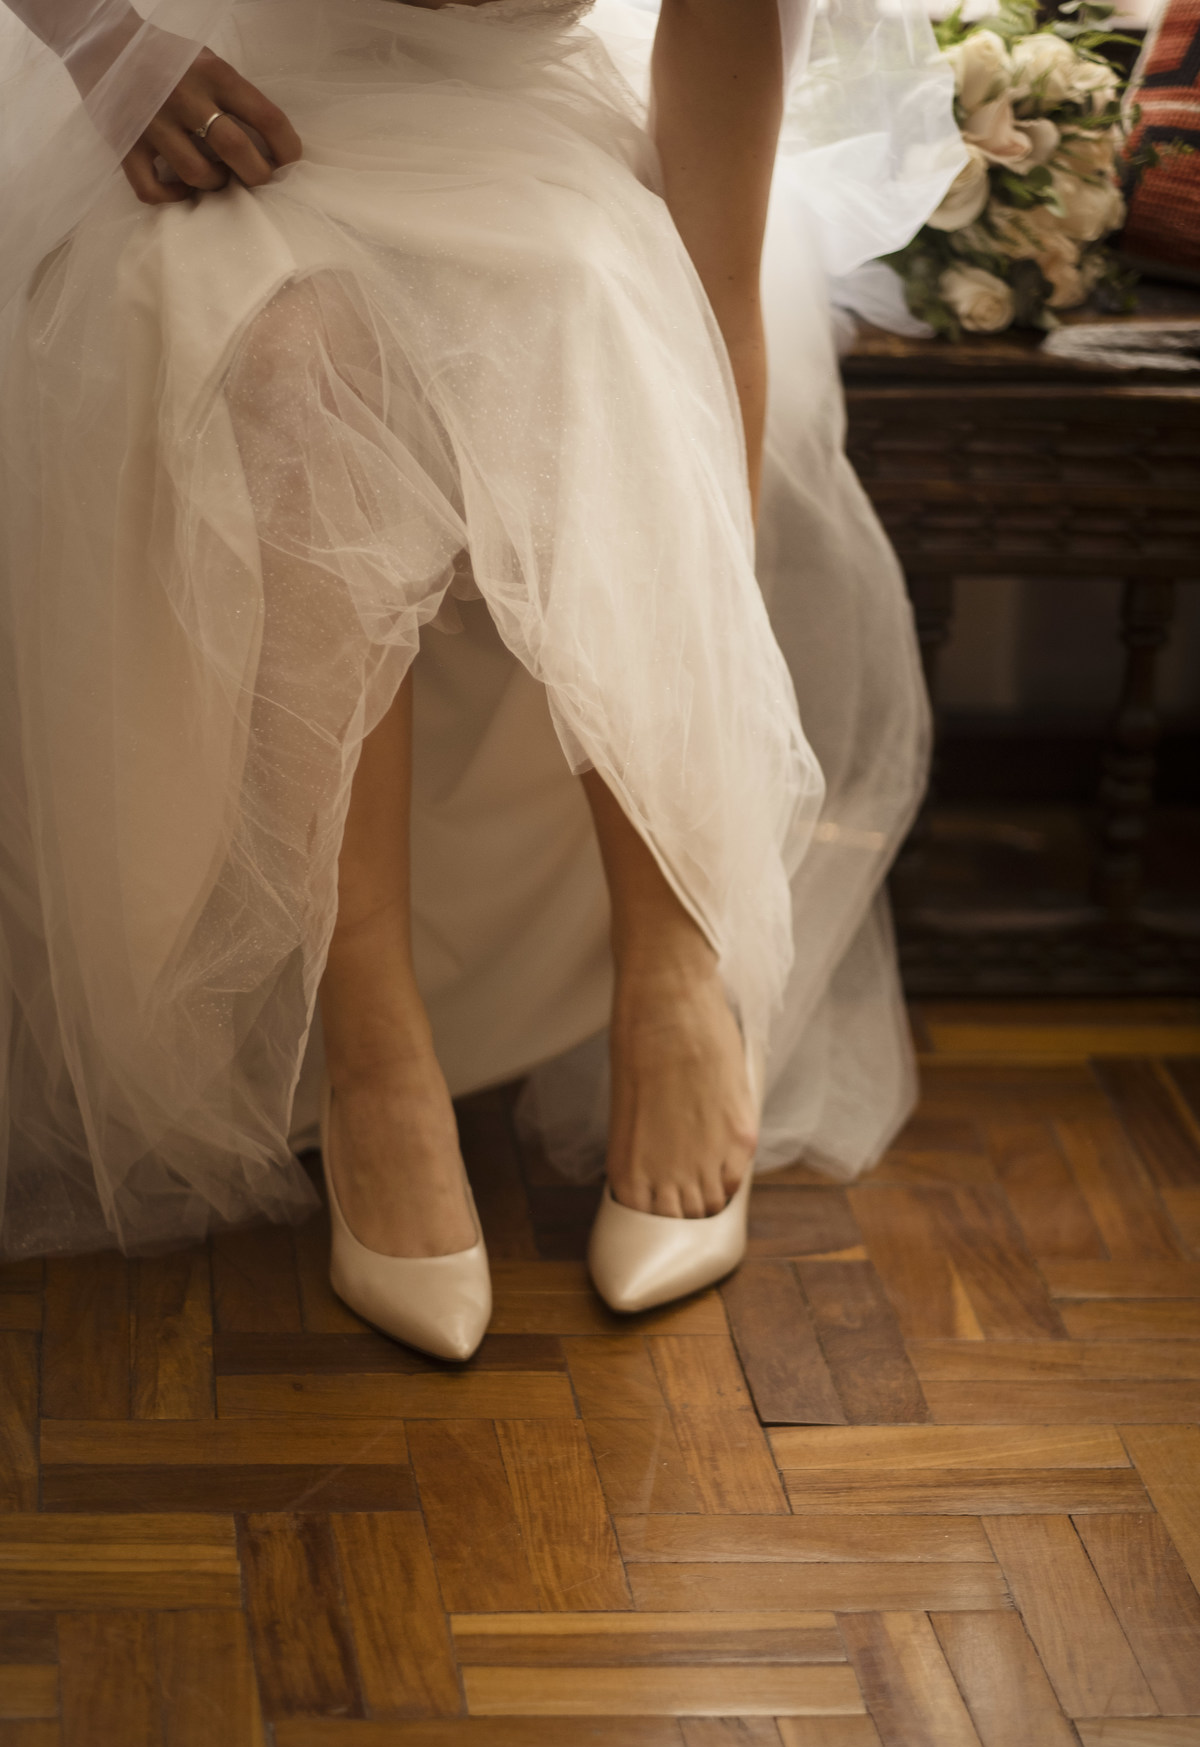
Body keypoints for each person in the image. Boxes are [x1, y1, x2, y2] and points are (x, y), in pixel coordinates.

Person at [0, 0, 957, 1355]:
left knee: (599, 310)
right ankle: (373, 1038)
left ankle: (672, 963)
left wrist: (706, 690)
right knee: (281, 352)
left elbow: (721, 297)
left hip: (515, 121)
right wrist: (104, 45)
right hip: (212, 93)